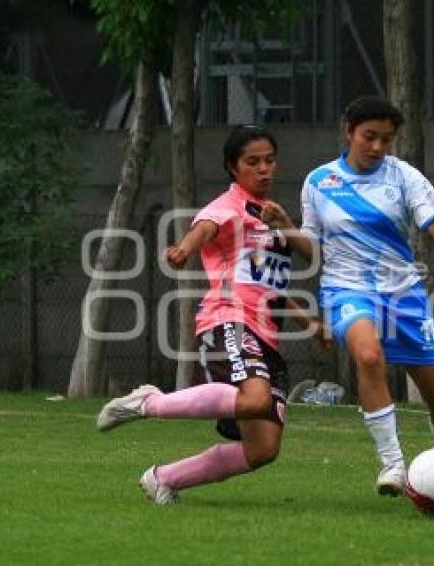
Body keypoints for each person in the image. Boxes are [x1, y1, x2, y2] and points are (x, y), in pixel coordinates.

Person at [96, 124, 329, 505]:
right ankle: (147, 403)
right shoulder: (227, 207)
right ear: (232, 168)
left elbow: (281, 280)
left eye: (269, 160)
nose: (264, 169)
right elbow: (204, 228)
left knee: (263, 448)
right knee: (253, 400)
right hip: (228, 319)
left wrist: (310, 323)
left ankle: (164, 479)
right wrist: (184, 248)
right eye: (252, 162)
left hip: (266, 335)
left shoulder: (271, 218)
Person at [296, 96, 434, 496]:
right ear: (349, 133)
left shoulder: (403, 176)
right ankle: (393, 465)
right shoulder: (319, 181)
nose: (377, 147)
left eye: (386, 139)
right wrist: (281, 230)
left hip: (403, 293)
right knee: (369, 355)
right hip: (346, 290)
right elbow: (311, 245)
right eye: (369, 137)